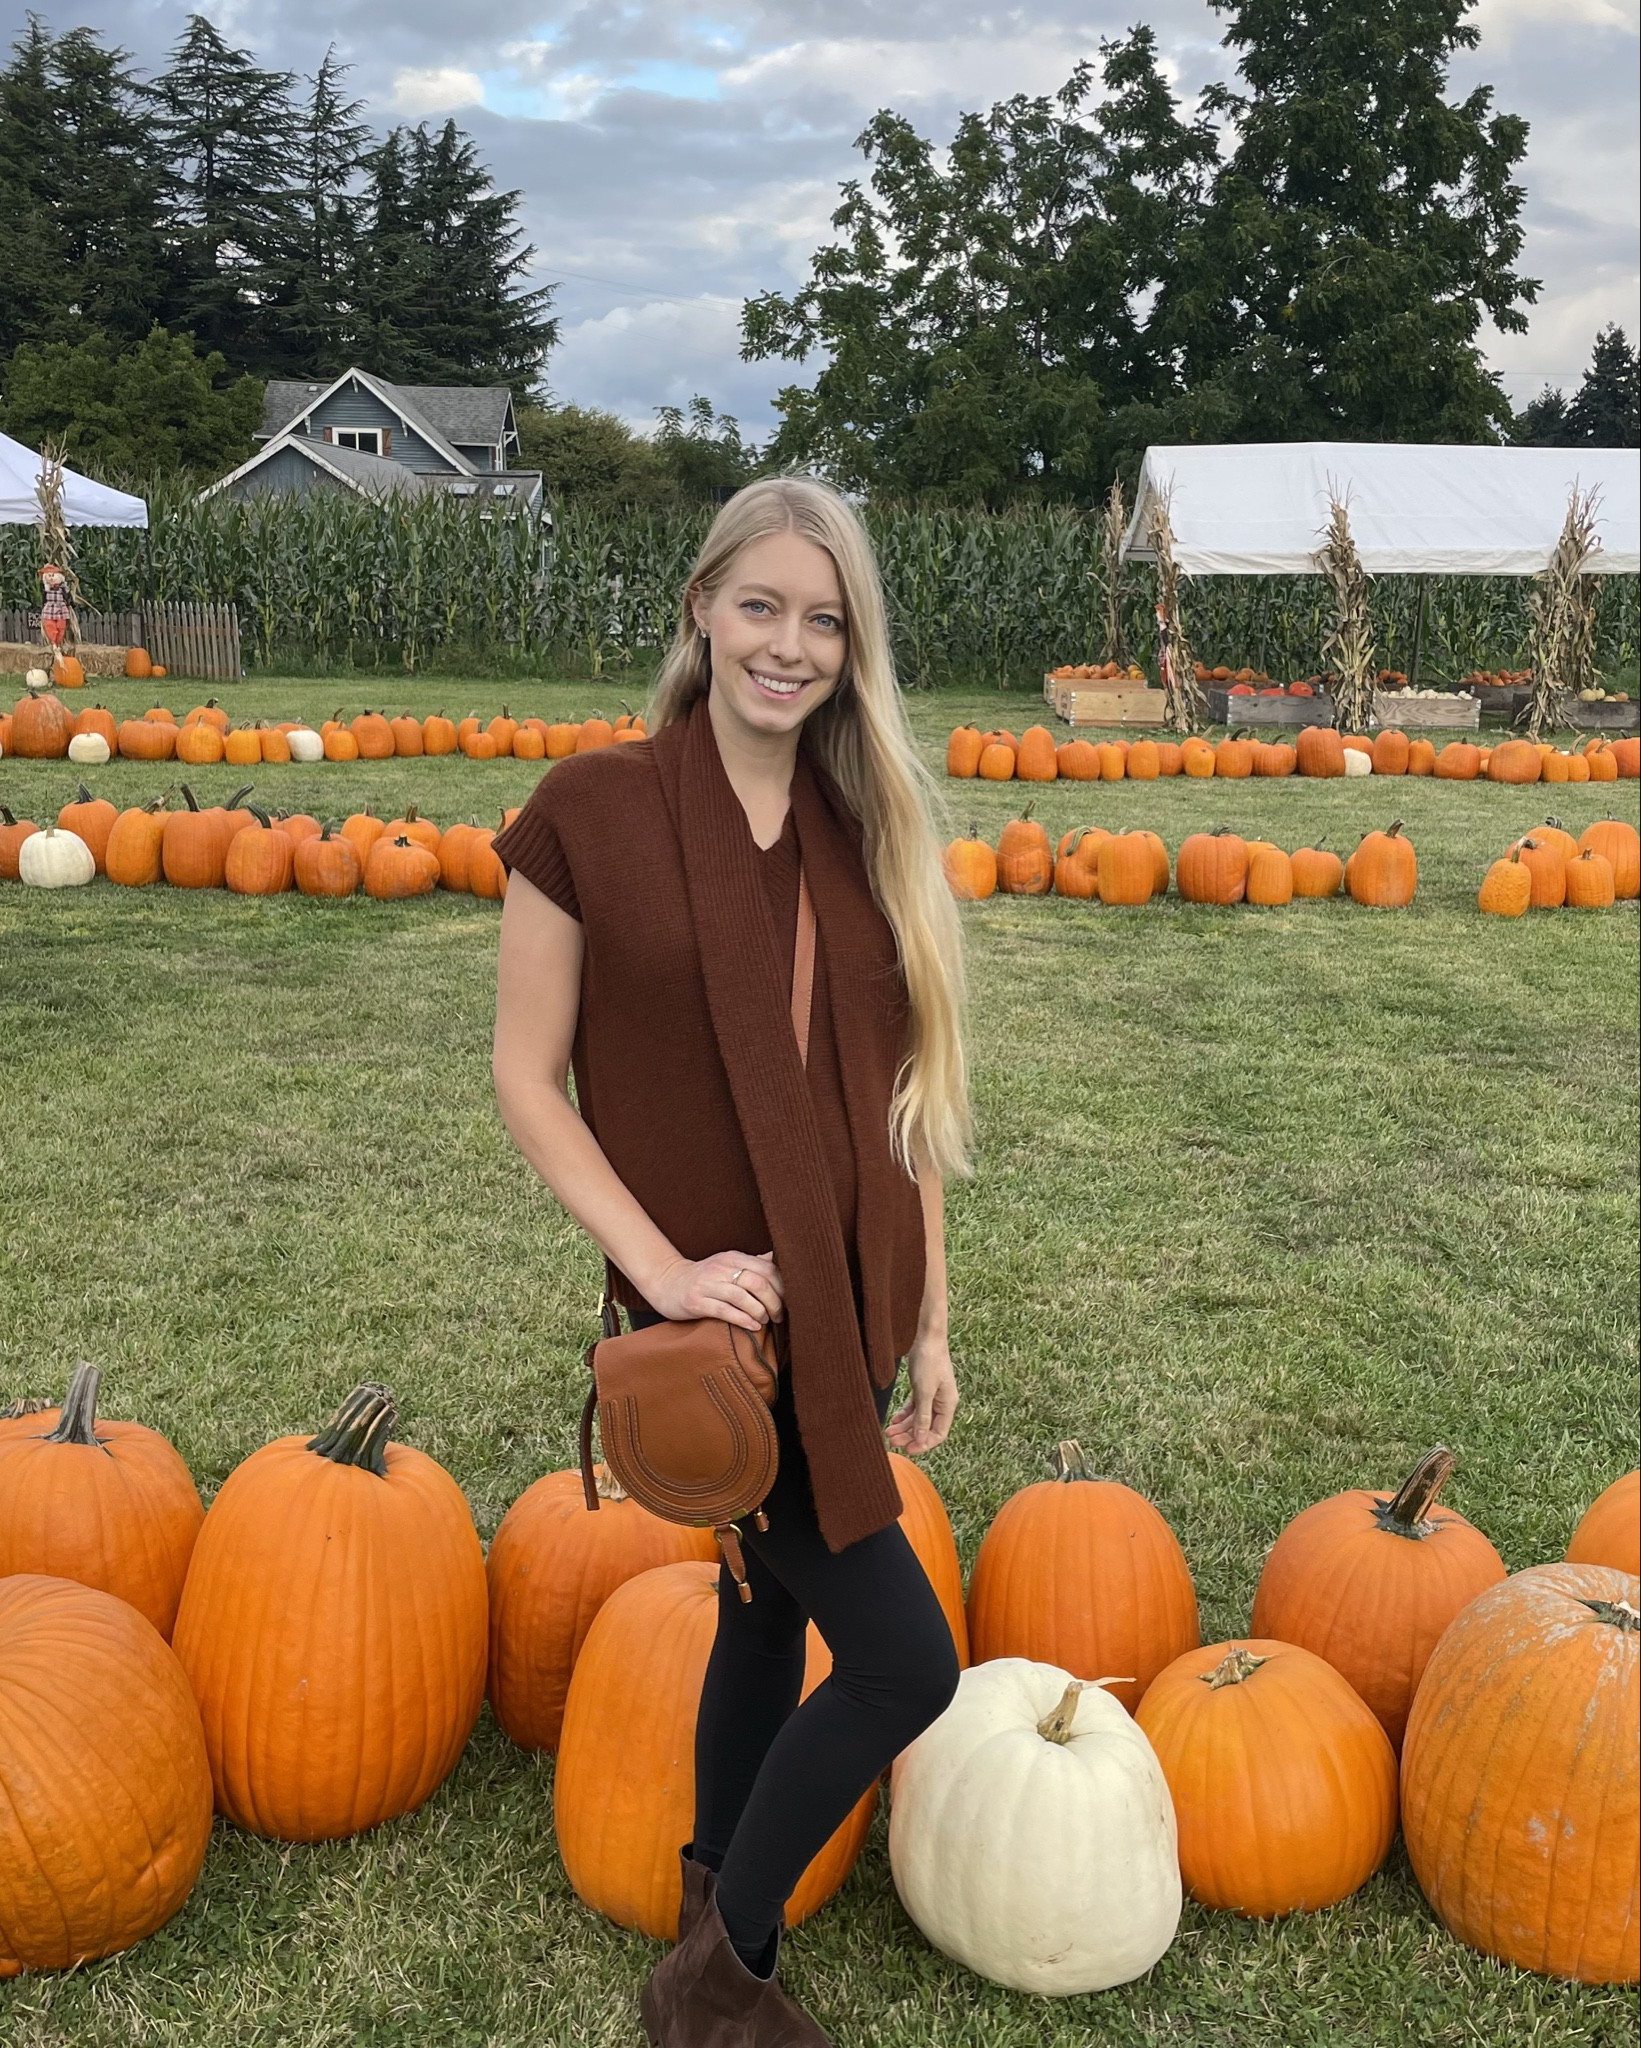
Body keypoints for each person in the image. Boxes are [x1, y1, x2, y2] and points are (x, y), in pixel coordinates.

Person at [491, 476, 969, 2047]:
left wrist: (935, 1325)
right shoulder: (591, 812)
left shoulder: (862, 824)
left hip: (852, 1316)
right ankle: (717, 1981)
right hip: (729, 1336)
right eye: (759, 605)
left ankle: (710, 1909)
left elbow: (907, 1105)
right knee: (908, 1662)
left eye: (823, 619)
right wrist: (663, 1272)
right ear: (699, 608)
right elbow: (522, 1078)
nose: (790, 644)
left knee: (763, 1617)